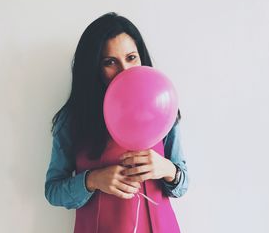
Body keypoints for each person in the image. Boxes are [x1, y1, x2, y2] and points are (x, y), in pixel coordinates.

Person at [44, 12, 189, 233]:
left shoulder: (162, 107)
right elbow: (53, 190)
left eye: (131, 57)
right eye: (110, 62)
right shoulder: (73, 119)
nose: (124, 70)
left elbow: (183, 184)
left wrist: (167, 169)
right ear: (94, 67)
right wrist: (93, 180)